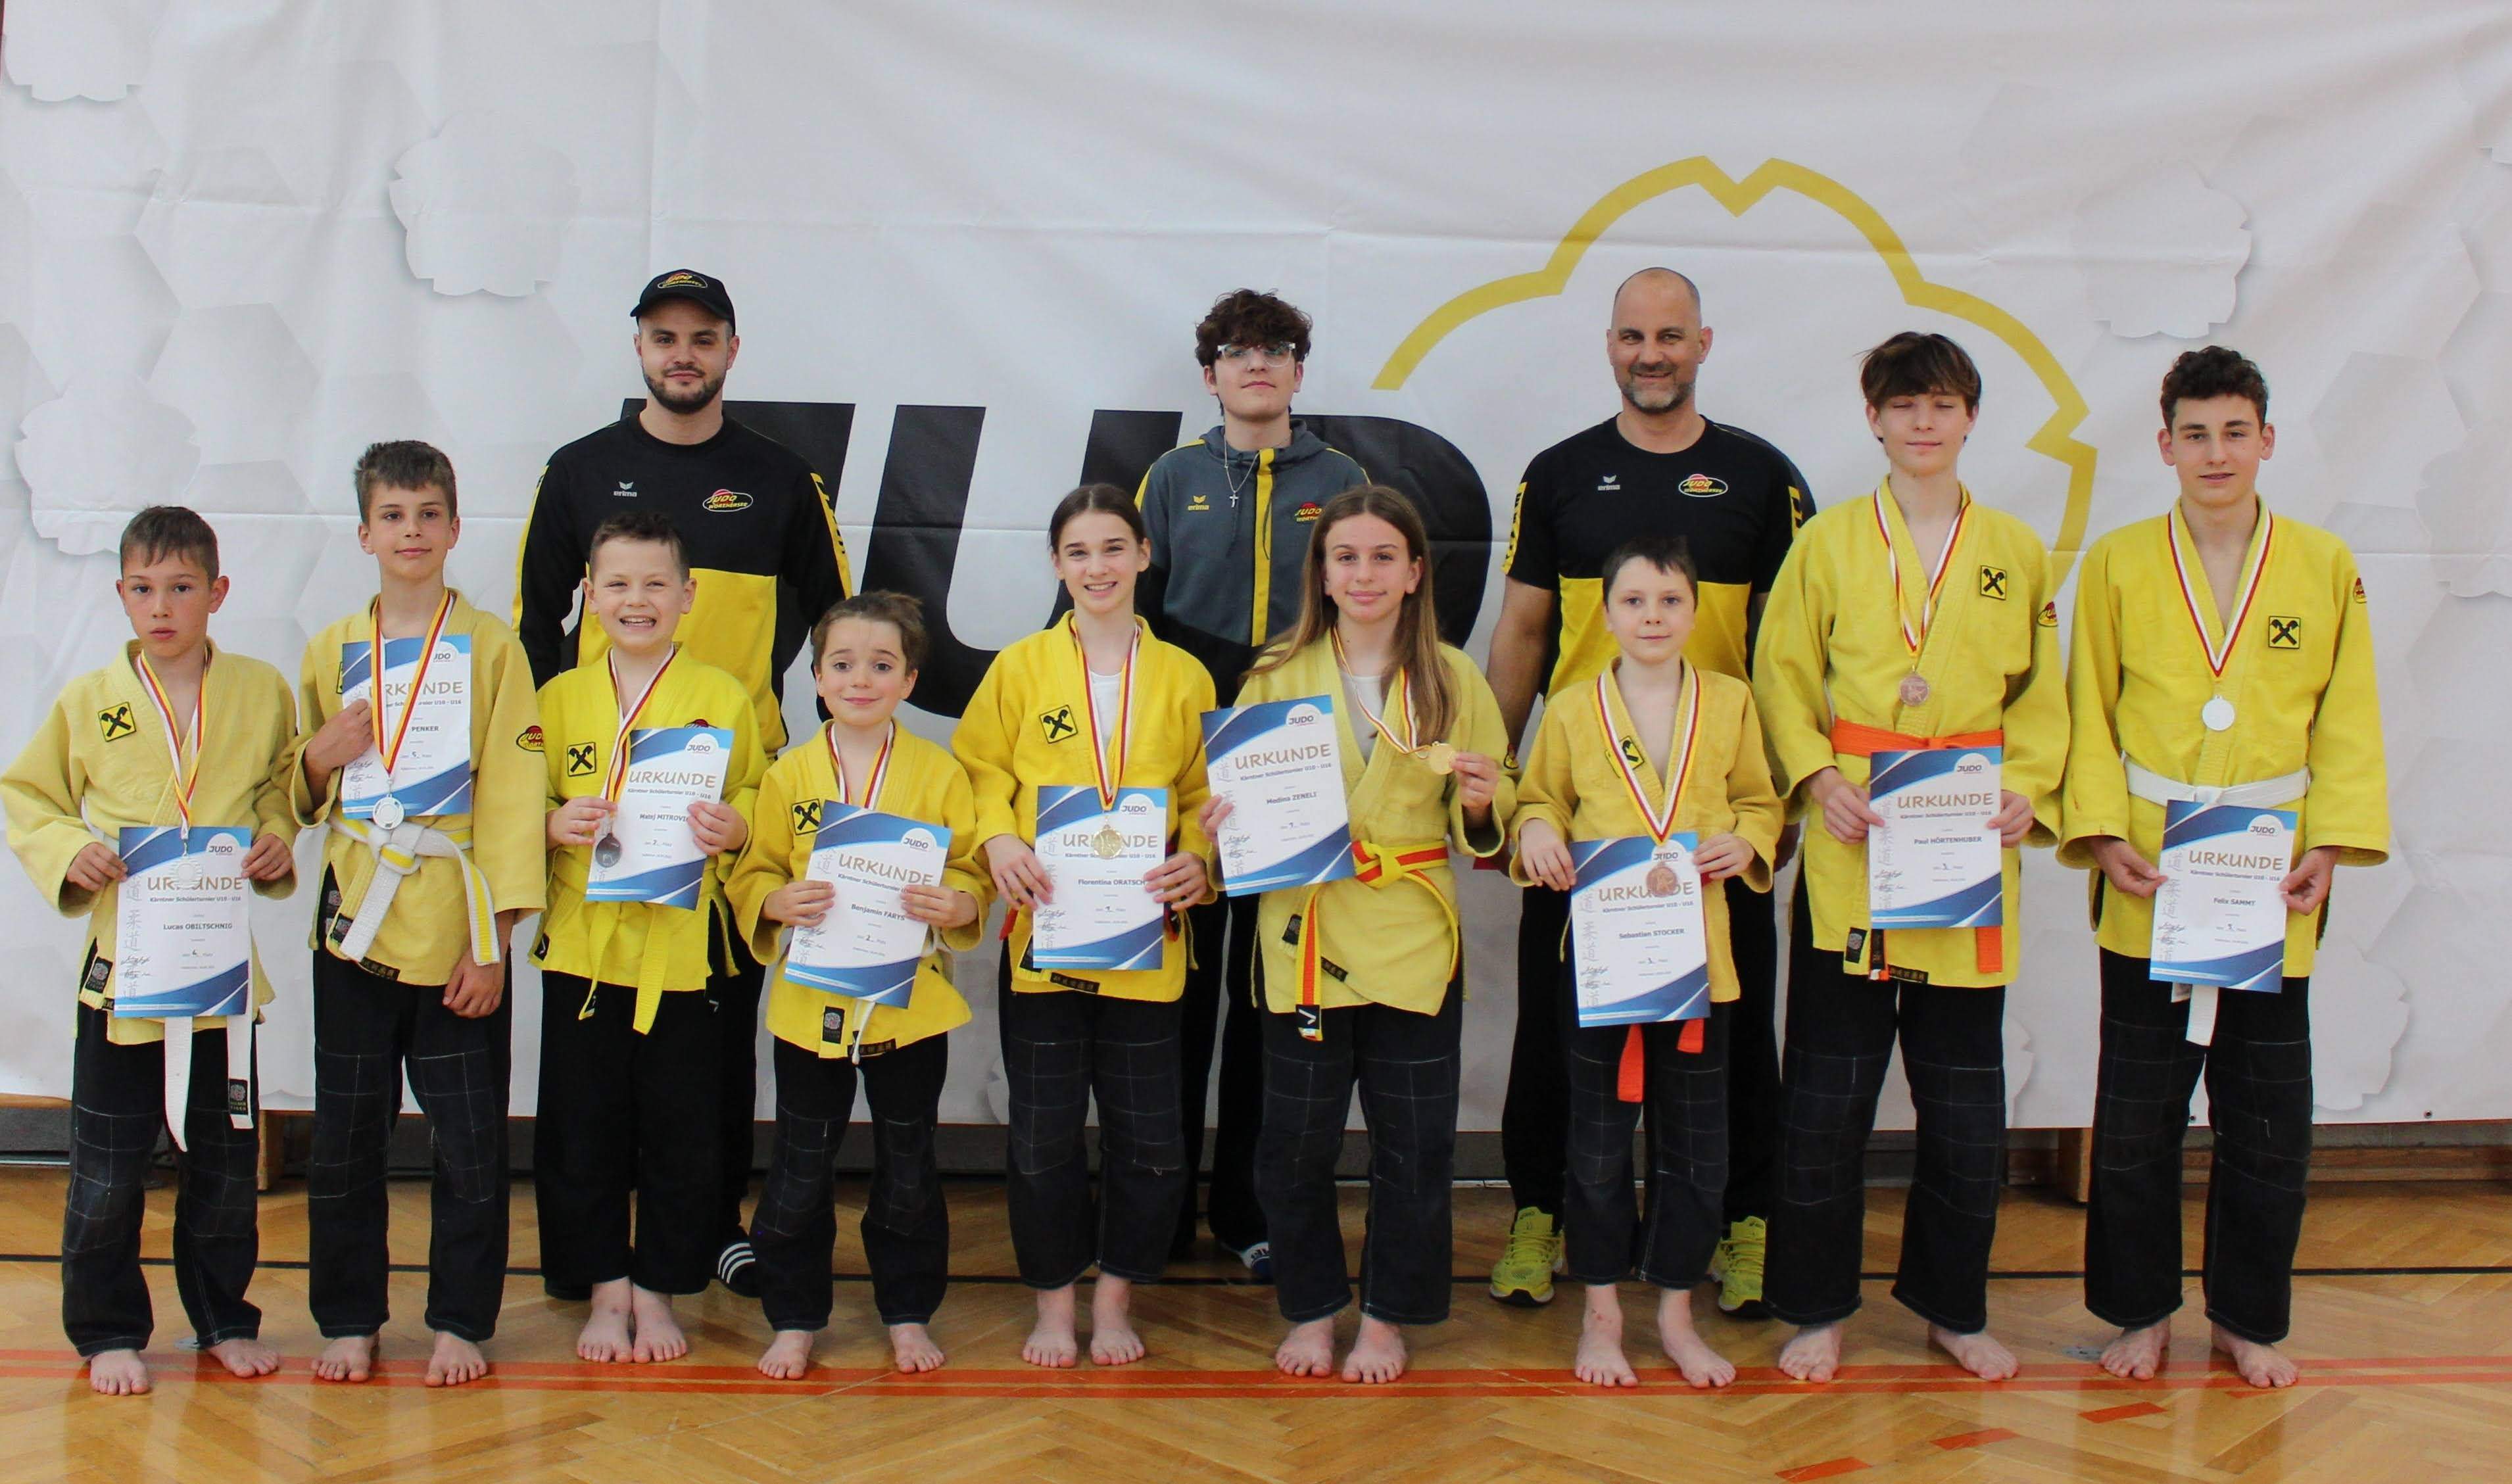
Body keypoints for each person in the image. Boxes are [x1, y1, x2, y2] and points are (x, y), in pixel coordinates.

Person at [516, 268, 854, 1298]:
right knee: (591, 1065)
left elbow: (839, 630)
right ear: (639, 348)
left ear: (731, 352)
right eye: (664, 336)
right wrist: (543, 784)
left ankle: (708, 1231)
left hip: (724, 814)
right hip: (602, 814)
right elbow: (534, 625)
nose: (683, 354)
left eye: (703, 337)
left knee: (708, 1057)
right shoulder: (578, 470)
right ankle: (593, 1262)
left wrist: (802, 784)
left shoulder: (783, 478)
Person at [1482, 268, 1810, 1313]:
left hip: (1714, 828)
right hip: (1585, 828)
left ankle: (1742, 1222)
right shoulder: (1560, 473)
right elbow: (1523, 631)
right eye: (1633, 335)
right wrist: (1502, 793)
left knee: (1730, 1042)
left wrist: (1783, 804)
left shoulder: (1763, 477)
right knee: (1557, 1038)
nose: (1651, 354)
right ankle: (1542, 1212)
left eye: (1671, 336)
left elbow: (1795, 654)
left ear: (1703, 343)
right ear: (1610, 344)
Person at [2063, 347, 2388, 1389]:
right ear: (2165, 446)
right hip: (2151, 870)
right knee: (2136, 1114)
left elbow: (2349, 716)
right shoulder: (2117, 563)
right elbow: (2087, 709)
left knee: (2269, 1117)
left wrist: (2329, 842)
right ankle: (2139, 1310)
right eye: (2195, 434)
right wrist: (2100, 833)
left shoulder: (2323, 564)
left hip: (2269, 874)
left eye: (2234, 432)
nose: (2216, 452)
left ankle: (2248, 1317)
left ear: (2267, 440)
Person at [1752, 333, 2065, 1383]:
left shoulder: (2016, 549)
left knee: (1966, 1113)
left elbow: (2044, 698)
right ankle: (1815, 1307)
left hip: (1965, 857)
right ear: (1874, 419)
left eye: (1941, 404)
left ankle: (1953, 1308)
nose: (1922, 423)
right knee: (1825, 1103)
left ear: (1971, 416)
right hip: (1857, 846)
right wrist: (1816, 776)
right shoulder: (1830, 542)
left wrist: (2029, 788)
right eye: (1903, 405)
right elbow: (1781, 674)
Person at [1207, 486, 1510, 1384]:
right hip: (1305, 930)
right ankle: (1310, 1307)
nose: (1365, 573)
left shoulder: (1454, 678)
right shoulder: (1274, 676)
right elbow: (1235, 822)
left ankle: (1385, 1317)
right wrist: (1225, 827)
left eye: (1384, 556)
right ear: (1323, 573)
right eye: (1346, 557)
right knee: (1293, 1144)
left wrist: (1484, 803)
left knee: (1414, 1145)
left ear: (1415, 572)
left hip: (1410, 932)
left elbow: (1486, 817)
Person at [1, 507, 297, 1395]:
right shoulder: (90, 699)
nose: (161, 606)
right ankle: (107, 1332)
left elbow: (281, 787)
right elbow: (30, 795)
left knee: (225, 1168)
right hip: (123, 969)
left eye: (180, 587)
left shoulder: (260, 690)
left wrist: (276, 837)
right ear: (122, 594)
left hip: (217, 970)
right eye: (143, 588)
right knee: (105, 1171)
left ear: (218, 591)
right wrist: (71, 851)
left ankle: (223, 1318)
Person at [289, 441, 545, 1387]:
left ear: (455, 527)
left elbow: (516, 793)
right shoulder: (330, 649)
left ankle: (461, 1321)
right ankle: (349, 1318)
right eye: (393, 516)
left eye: (428, 514)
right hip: (355, 925)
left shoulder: (492, 646)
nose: (412, 531)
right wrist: (318, 756)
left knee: (470, 1143)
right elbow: (295, 791)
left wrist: (497, 940)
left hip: (457, 928)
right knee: (345, 1139)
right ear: (364, 533)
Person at [1512, 533, 1784, 1389]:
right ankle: (1600, 1316)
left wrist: (1746, 841)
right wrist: (1538, 832)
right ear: (1606, 612)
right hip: (1603, 960)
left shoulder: (1731, 701)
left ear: (1697, 612)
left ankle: (1673, 1313)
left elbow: (1760, 800)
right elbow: (1538, 799)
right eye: (1634, 601)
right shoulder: (1570, 708)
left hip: (1700, 961)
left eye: (1670, 601)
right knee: (1595, 1147)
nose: (1653, 616)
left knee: (1698, 1149)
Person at [954, 485, 1216, 1368]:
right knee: (1043, 1137)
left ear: (1143, 555)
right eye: (1078, 551)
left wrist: (1200, 862)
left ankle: (1114, 1302)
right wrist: (997, 837)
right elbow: (979, 770)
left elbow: (1204, 797)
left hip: (1147, 945)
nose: (1097, 567)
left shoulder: (1183, 675)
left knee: (1150, 1142)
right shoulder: (1020, 668)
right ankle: (1054, 1304)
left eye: (1113, 548)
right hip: (1045, 943)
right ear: (1056, 564)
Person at [1135, 289, 1367, 1276]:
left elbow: (1361, 613)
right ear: (1211, 374)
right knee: (1178, 995)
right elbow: (1137, 616)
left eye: (1276, 349)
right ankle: (1154, 1212)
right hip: (1188, 757)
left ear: (1298, 370)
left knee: (1269, 994)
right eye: (1238, 350)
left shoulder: (1342, 477)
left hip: (1290, 759)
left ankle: (1249, 1211)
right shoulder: (1172, 475)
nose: (1257, 363)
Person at [730, 592, 988, 1379]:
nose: (860, 679)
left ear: (909, 680)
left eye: (881, 665)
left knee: (909, 1164)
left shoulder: (939, 773)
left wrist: (960, 902)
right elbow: (754, 870)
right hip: (810, 1006)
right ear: (816, 677)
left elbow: (971, 869)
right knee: (799, 1167)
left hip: (909, 1008)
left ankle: (907, 1312)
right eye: (842, 664)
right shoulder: (788, 775)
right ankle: (793, 1316)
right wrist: (775, 900)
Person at [531, 510, 765, 1364]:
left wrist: (737, 826)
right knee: (582, 1130)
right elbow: (520, 803)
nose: (638, 599)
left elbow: (757, 797)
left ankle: (660, 1291)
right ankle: (604, 1289)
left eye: (655, 583)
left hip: (683, 952)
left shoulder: (723, 696)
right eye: (619, 584)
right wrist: (552, 823)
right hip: (585, 951)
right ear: (589, 595)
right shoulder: (557, 698)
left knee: (682, 1130)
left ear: (687, 594)